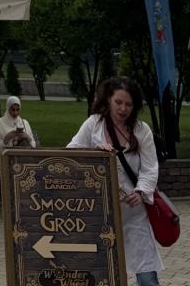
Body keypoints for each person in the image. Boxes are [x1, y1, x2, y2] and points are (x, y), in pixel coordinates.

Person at [68, 76, 162, 286]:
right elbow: (70, 156)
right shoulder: (94, 125)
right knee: (102, 275)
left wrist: (140, 193)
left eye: (129, 104)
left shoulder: (141, 130)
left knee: (147, 276)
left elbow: (150, 169)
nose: (123, 109)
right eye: (118, 102)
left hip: (134, 213)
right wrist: (94, 153)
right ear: (109, 98)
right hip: (99, 214)